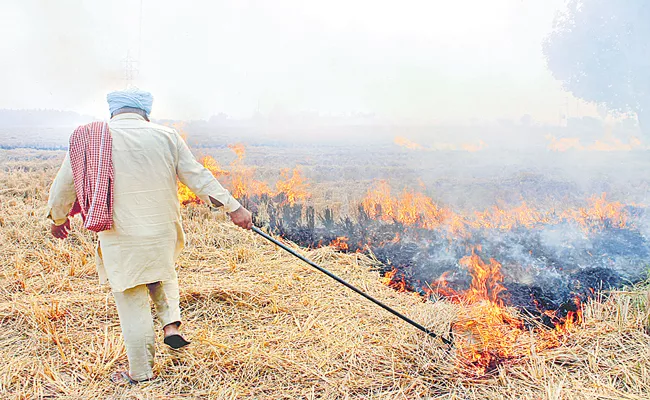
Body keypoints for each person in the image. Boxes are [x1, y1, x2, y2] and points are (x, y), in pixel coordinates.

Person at [46, 88, 252, 384]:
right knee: (162, 272)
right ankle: (171, 325)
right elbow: (197, 176)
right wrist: (234, 207)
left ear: (113, 110)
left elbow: (64, 187)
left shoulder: (89, 140)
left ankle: (140, 373)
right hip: (162, 230)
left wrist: (58, 219)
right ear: (146, 111)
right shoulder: (166, 136)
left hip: (121, 234)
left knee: (132, 300)